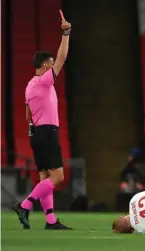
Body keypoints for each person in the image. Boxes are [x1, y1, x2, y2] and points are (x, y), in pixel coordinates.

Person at [13, 14, 72, 230]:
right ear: (46, 65)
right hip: (47, 132)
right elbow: (62, 57)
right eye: (50, 64)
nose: (52, 66)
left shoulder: (29, 86)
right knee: (57, 177)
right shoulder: (45, 81)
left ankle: (50, 220)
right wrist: (66, 33)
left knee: (45, 178)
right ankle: (25, 205)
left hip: (36, 134)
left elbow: (28, 116)